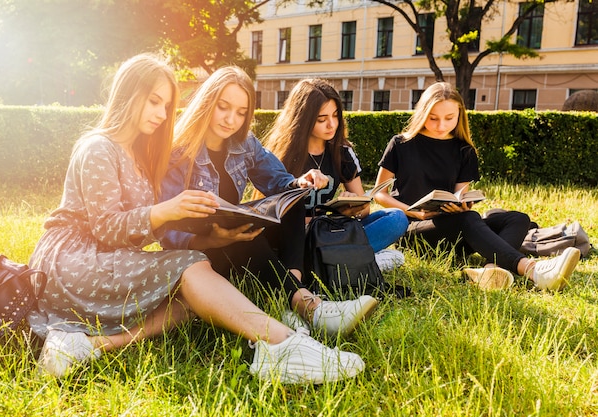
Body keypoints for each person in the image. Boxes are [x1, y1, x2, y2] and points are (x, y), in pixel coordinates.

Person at [28, 53, 365, 384]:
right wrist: (170, 213)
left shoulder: (142, 152)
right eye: (154, 102)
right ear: (128, 95)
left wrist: (198, 226)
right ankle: (284, 343)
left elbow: (138, 233)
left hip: (112, 257)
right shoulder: (99, 147)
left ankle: (88, 346)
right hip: (73, 261)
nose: (162, 114)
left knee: (198, 296)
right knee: (192, 267)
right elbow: (107, 228)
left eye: (166, 105)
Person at [161, 66, 378, 336]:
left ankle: (290, 299)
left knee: (293, 198)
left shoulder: (244, 143)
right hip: (200, 252)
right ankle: (310, 306)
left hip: (237, 237)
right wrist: (208, 240)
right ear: (207, 103)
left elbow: (280, 181)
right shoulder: (177, 152)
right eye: (223, 107)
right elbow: (165, 228)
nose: (231, 120)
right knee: (239, 236)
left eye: (241, 113)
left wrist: (301, 182)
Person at [373, 81, 581, 291]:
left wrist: (462, 205)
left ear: (459, 116)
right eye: (433, 118)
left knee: (518, 218)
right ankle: (533, 270)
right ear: (422, 113)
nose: (441, 125)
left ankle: (491, 270)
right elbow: (379, 194)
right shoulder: (400, 144)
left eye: (449, 118)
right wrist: (412, 212)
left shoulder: (464, 150)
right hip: (413, 231)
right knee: (468, 219)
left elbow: (459, 195)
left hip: (455, 231)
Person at [262, 78, 409, 272]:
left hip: (332, 232)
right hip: (297, 238)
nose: (331, 124)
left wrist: (351, 207)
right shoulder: (281, 155)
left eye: (335, 115)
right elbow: (268, 213)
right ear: (303, 119)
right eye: (321, 119)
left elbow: (364, 209)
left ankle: (336, 262)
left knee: (397, 219)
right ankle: (354, 262)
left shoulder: (343, 153)